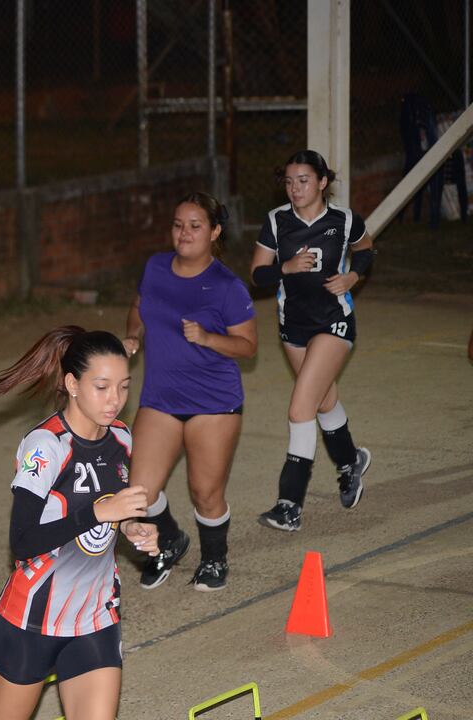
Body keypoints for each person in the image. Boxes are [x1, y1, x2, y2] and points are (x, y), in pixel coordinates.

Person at [0, 326, 159, 720]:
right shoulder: (45, 446)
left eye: (124, 387)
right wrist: (98, 513)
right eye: (102, 387)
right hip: (30, 622)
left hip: (94, 617)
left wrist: (131, 528)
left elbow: (111, 517)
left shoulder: (122, 439)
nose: (115, 400)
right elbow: (23, 541)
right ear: (72, 384)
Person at [122, 193, 257, 591]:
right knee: (138, 493)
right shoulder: (155, 267)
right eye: (178, 224)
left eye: (195, 226)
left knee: (205, 491)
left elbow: (248, 346)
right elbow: (139, 306)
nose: (184, 233)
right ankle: (170, 541)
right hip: (161, 398)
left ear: (214, 231)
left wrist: (209, 338)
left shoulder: (227, 287)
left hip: (213, 403)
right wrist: (133, 335)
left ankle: (215, 559)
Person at [251, 150, 375, 532]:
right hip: (294, 326)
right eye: (289, 181)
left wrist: (353, 278)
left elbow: (366, 250)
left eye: (303, 180)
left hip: (334, 321)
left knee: (300, 408)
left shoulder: (344, 219)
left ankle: (289, 504)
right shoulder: (277, 221)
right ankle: (350, 461)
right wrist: (284, 268)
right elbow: (257, 276)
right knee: (323, 399)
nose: (295, 188)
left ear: (322, 182)